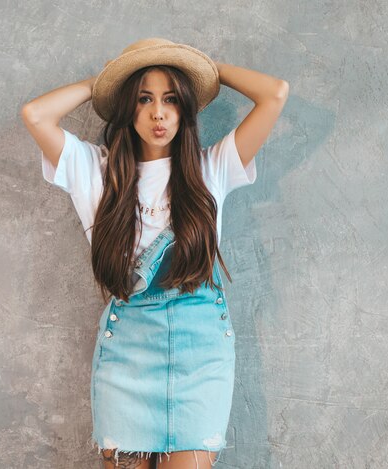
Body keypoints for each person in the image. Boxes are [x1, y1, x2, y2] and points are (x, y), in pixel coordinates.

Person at [21, 37, 288, 469]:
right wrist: (105, 80)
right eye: (144, 99)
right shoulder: (97, 171)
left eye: (170, 99)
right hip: (127, 352)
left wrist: (203, 69)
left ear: (184, 107)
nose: (158, 113)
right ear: (129, 108)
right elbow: (36, 115)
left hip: (199, 354)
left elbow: (274, 93)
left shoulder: (210, 169)